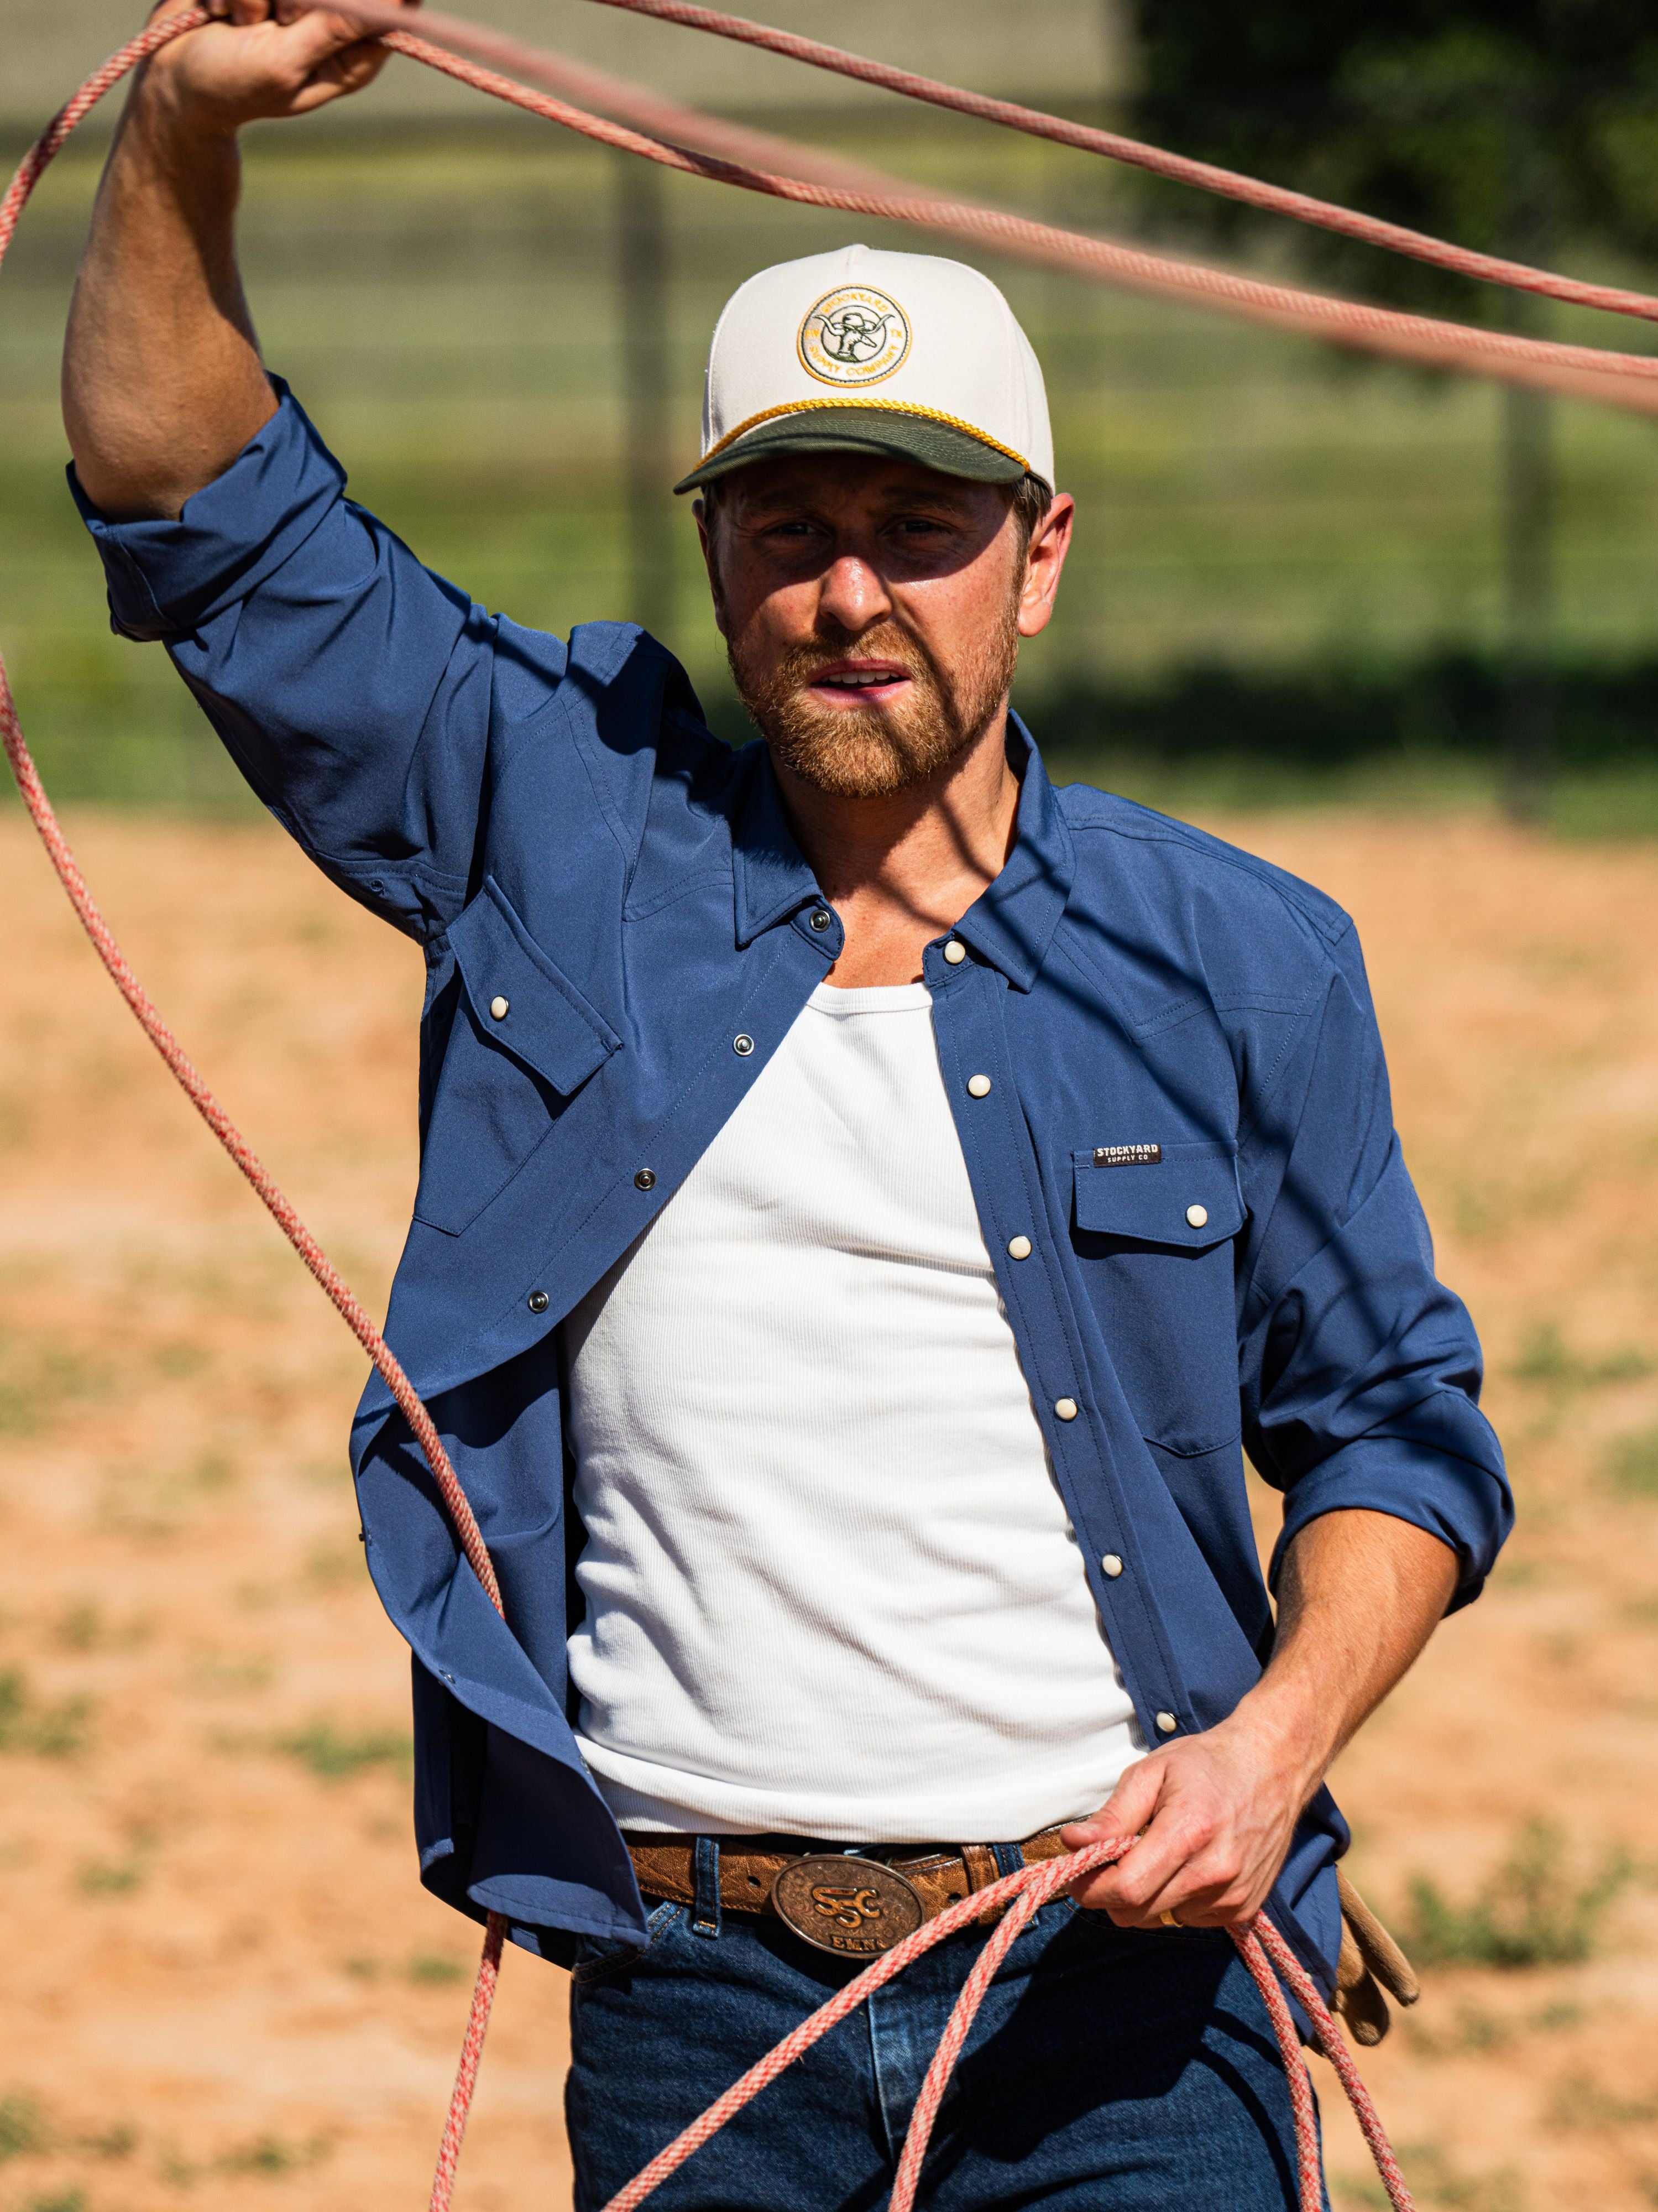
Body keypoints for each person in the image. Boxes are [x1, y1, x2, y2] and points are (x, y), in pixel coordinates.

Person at [64, 6, 1512, 2207]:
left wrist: (1271, 1751)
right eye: (788, 525)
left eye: (917, 528)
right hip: (686, 1993)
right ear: (720, 546)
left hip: (1130, 2000)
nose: (847, 594)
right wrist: (178, 127)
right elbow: (204, 509)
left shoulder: (1240, 955)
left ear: (1035, 553)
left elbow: (1397, 1427)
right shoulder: (553, 832)